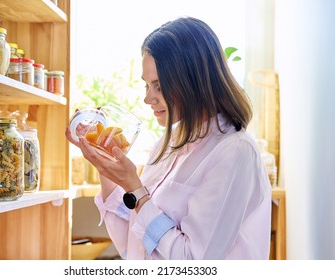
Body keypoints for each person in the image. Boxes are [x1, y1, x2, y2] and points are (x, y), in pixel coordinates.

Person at [66, 16, 272, 260]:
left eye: (159, 86)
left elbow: (193, 262)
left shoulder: (235, 152)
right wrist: (104, 164)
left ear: (194, 81)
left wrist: (134, 186)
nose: (147, 98)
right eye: (146, 85)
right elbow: (132, 245)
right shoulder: (167, 144)